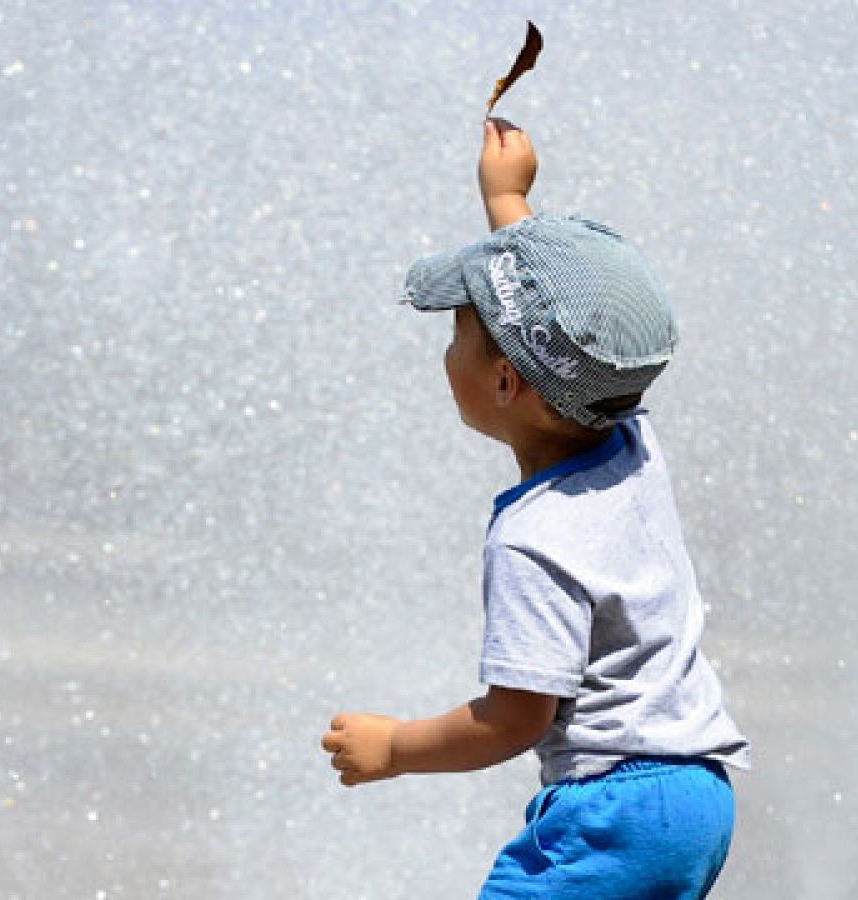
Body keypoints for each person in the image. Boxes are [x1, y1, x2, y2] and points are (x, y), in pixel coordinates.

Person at [320, 118, 752, 899]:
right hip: (698, 795)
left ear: (506, 384)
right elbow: (566, 318)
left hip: (614, 807)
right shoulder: (630, 444)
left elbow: (514, 718)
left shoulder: (532, 540)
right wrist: (506, 197)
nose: (446, 354)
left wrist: (396, 747)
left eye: (456, 336)